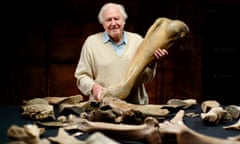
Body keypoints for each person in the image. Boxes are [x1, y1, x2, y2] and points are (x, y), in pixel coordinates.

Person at [74, 2, 168, 104]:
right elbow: (82, 76)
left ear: (123, 21)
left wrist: (152, 62)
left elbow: (145, 78)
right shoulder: (91, 43)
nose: (113, 23)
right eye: (108, 20)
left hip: (135, 108)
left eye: (117, 18)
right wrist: (93, 87)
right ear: (103, 23)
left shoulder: (138, 41)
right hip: (102, 108)